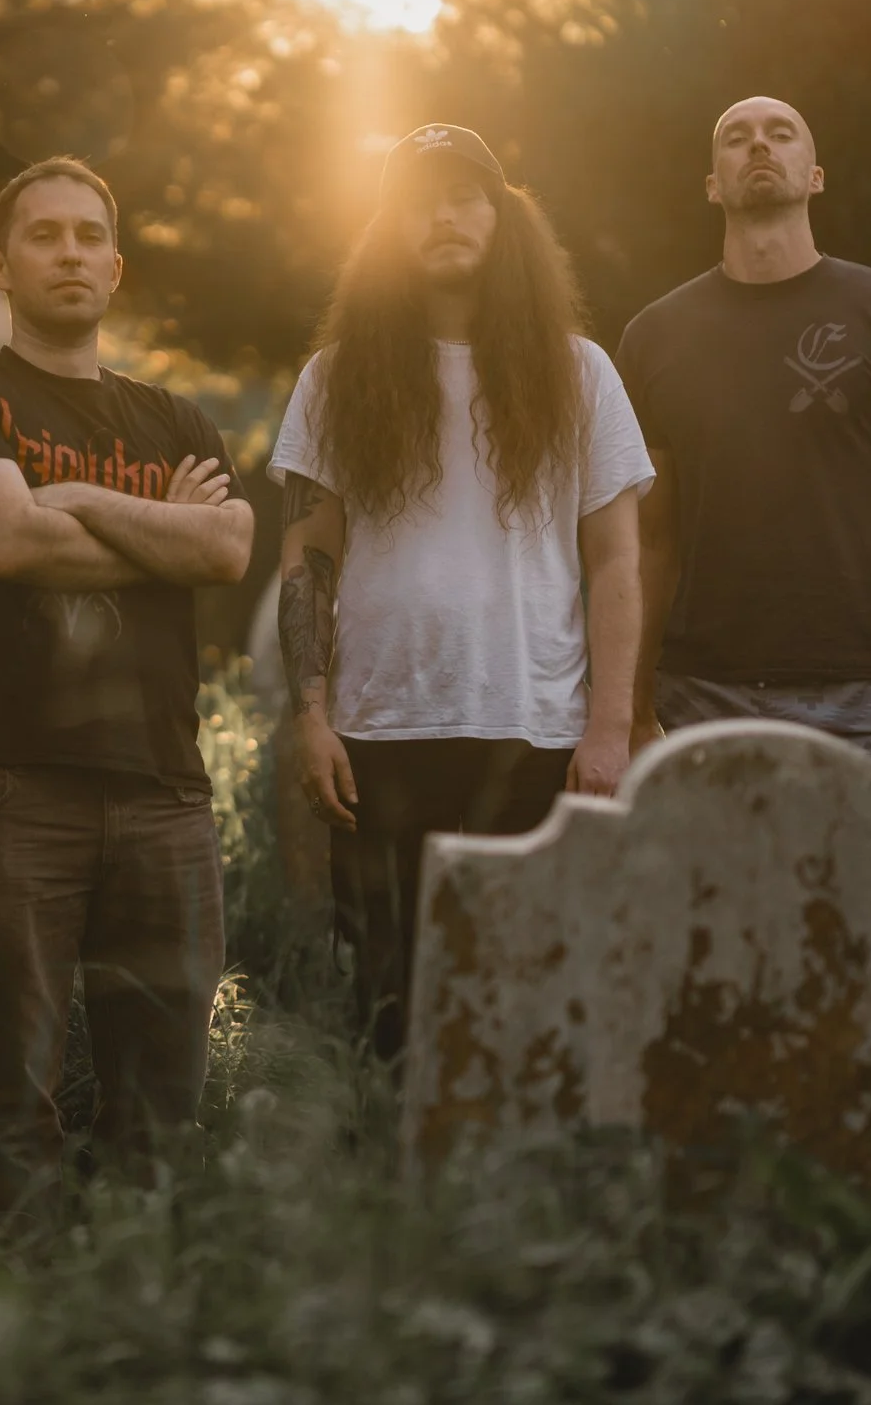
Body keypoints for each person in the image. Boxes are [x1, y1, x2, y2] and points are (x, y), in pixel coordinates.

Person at [0, 156, 254, 1222]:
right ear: (0, 265)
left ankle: (129, 1328)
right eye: (44, 235)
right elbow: (7, 540)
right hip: (8, 793)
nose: (70, 252)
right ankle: (19, 1339)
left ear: (116, 264)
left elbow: (232, 549)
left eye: (89, 234)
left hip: (162, 793)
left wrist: (82, 496)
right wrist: (165, 537)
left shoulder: (175, 419)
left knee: (162, 1107)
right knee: (11, 1100)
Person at [271, 125, 651, 1061]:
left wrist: (609, 728)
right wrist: (311, 715)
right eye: (418, 200)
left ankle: (520, 1197)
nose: (442, 214)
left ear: (504, 216)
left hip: (534, 728)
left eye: (466, 195)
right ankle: (398, 1201)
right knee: (389, 1005)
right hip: (378, 734)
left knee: (528, 995)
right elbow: (306, 557)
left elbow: (615, 561)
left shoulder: (580, 371)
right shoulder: (335, 378)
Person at [619, 97, 871, 807]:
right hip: (697, 700)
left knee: (866, 920)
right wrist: (628, 711)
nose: (759, 146)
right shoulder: (654, 337)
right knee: (703, 918)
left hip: (862, 703)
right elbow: (646, 543)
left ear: (814, 175)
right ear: (712, 185)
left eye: (780, 135)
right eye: (736, 138)